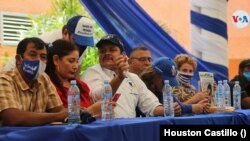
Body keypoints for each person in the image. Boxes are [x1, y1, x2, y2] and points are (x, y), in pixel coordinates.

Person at [81, 34, 181, 118]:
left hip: (129, 129)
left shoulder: (133, 78)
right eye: (102, 51)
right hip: (105, 130)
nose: (107, 53)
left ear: (123, 55)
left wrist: (168, 109)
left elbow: (150, 105)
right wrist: (119, 78)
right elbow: (97, 96)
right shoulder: (93, 72)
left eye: (112, 50)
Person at [0, 37, 67, 126]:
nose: (38, 60)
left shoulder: (44, 78)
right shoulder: (4, 80)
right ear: (18, 60)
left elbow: (59, 110)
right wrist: (57, 116)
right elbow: (13, 118)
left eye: (43, 57)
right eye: (32, 55)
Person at [2, 15, 94, 72]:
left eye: (84, 43)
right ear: (66, 33)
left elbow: (76, 70)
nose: (79, 47)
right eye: (76, 41)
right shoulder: (45, 43)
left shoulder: (81, 45)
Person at [45, 39, 102, 117]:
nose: (75, 66)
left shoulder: (81, 85)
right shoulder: (47, 85)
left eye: (77, 62)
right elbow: (60, 116)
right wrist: (90, 110)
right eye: (71, 61)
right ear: (56, 60)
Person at [140, 57, 210, 114]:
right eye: (164, 80)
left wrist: (198, 106)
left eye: (190, 71)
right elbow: (157, 109)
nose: (167, 84)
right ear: (155, 76)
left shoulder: (163, 88)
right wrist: (192, 107)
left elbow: (178, 105)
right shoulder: (141, 87)